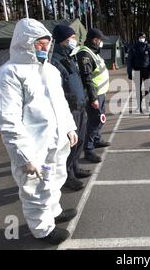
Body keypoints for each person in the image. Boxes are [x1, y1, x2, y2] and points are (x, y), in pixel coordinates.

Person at [0, 18, 78, 245]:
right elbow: (7, 122)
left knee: (55, 179)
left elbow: (61, 104)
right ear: (25, 43)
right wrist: (24, 156)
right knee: (36, 189)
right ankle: (42, 229)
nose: (45, 48)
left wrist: (69, 127)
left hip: (55, 145)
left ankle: (53, 213)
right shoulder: (7, 75)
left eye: (47, 43)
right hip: (34, 149)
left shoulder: (50, 71)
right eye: (39, 43)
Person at [51, 25, 92, 192]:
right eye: (71, 38)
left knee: (80, 140)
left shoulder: (70, 57)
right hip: (69, 110)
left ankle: (75, 167)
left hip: (80, 106)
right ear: (62, 40)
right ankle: (68, 176)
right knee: (69, 145)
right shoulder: (54, 61)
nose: (74, 41)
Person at [76, 28, 111, 164]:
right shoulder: (85, 53)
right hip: (93, 94)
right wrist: (93, 98)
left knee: (100, 118)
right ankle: (89, 149)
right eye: (101, 40)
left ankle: (96, 140)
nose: (102, 43)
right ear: (95, 40)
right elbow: (87, 78)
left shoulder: (93, 52)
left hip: (100, 92)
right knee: (95, 120)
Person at [127, 32, 150, 113]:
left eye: (143, 37)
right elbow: (129, 61)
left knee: (147, 89)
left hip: (147, 70)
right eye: (140, 37)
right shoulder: (133, 48)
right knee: (137, 89)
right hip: (136, 70)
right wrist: (129, 72)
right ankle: (139, 107)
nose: (141, 38)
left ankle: (147, 107)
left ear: (145, 38)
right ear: (137, 38)